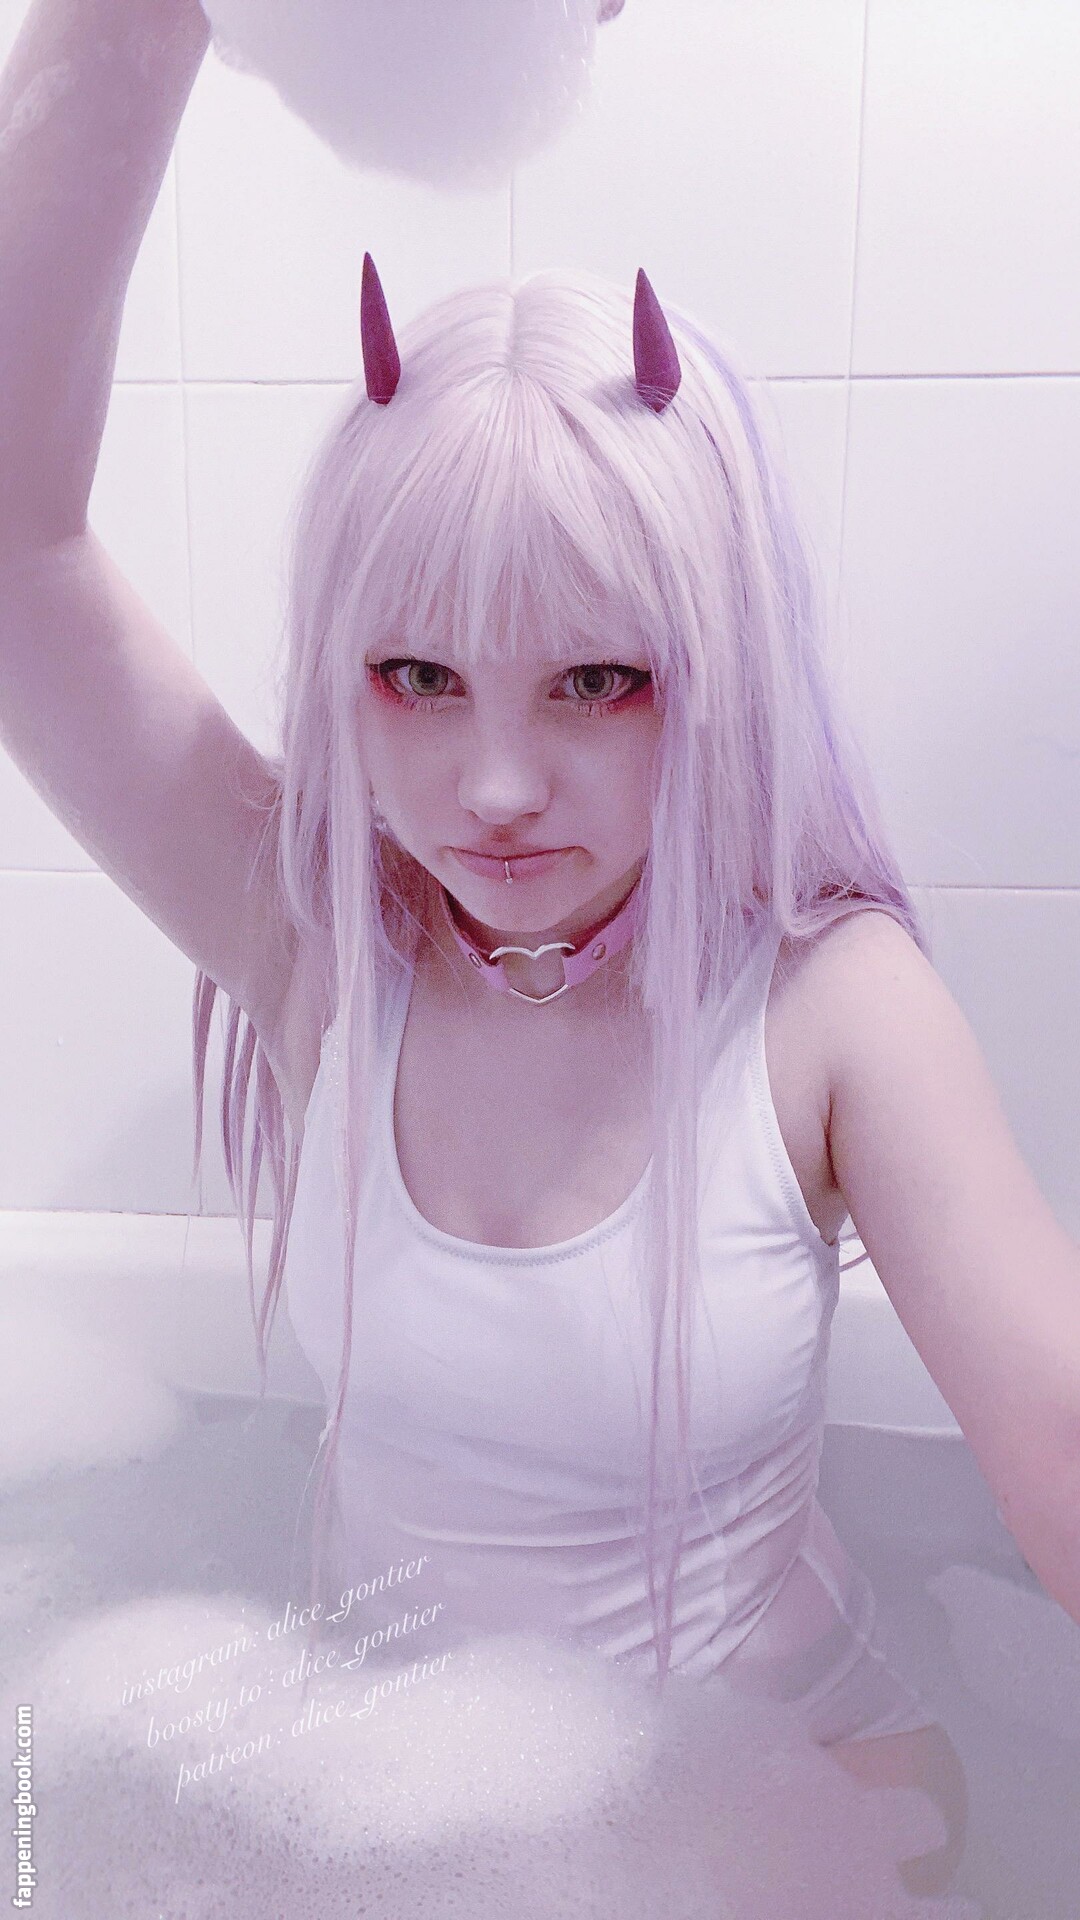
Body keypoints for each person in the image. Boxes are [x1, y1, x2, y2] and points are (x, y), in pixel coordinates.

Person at [4, 0, 1080, 1903]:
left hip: (792, 1780)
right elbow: (16, 546)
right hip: (378, 1767)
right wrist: (138, 24)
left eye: (599, 680)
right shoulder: (319, 935)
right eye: (418, 676)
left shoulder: (828, 1007)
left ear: (718, 666)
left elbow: (1060, 1440)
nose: (495, 788)